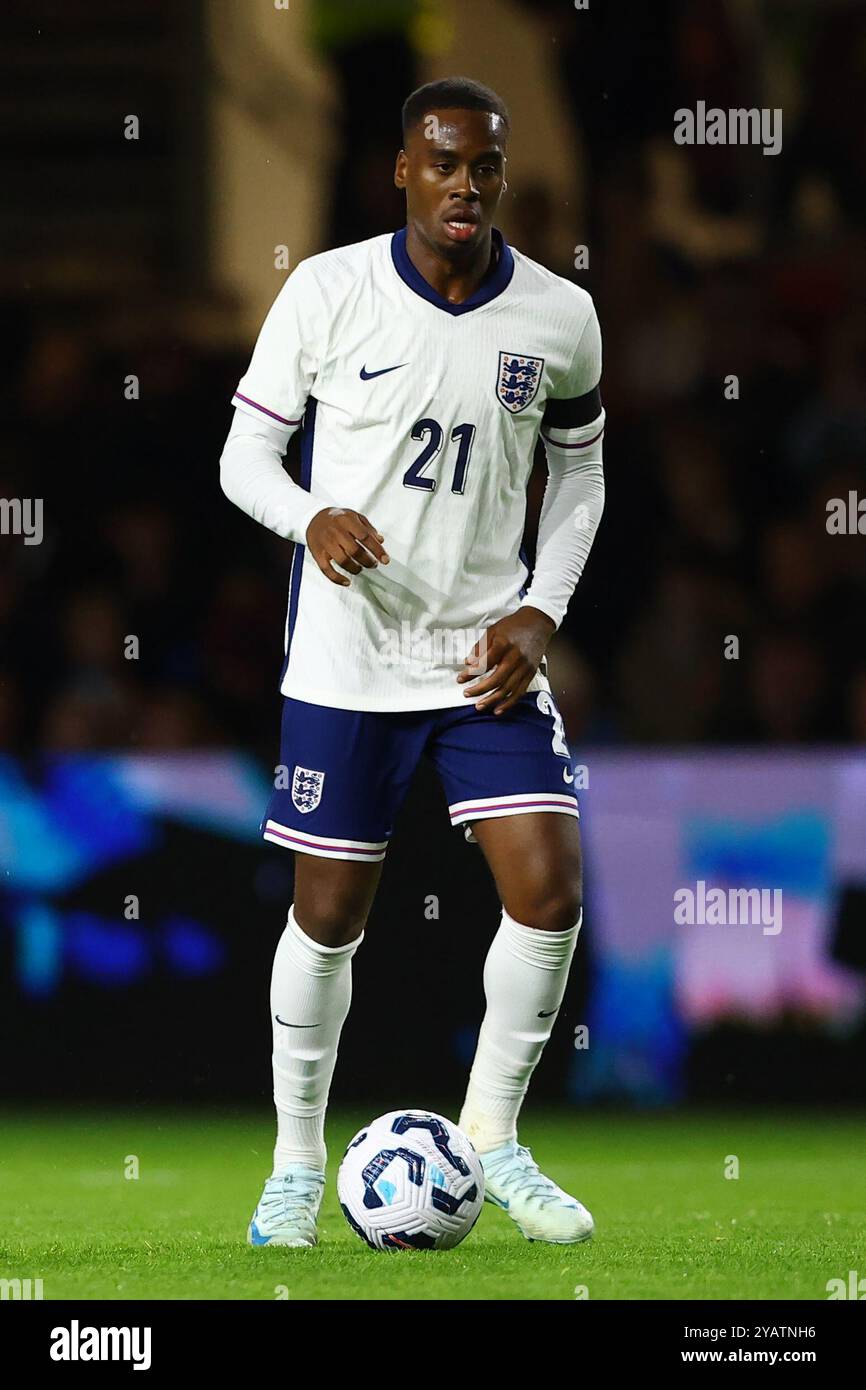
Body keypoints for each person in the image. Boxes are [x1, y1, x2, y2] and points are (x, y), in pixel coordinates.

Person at [220, 76, 605, 1248]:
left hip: (481, 654)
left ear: (499, 173)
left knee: (549, 888)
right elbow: (244, 459)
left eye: (483, 165)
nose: (464, 185)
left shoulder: (557, 314)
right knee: (328, 917)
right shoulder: (327, 290)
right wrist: (310, 518)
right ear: (401, 170)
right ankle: (295, 1164)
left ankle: (491, 1136)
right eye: (441, 163)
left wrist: (540, 611)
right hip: (347, 661)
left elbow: (581, 478)